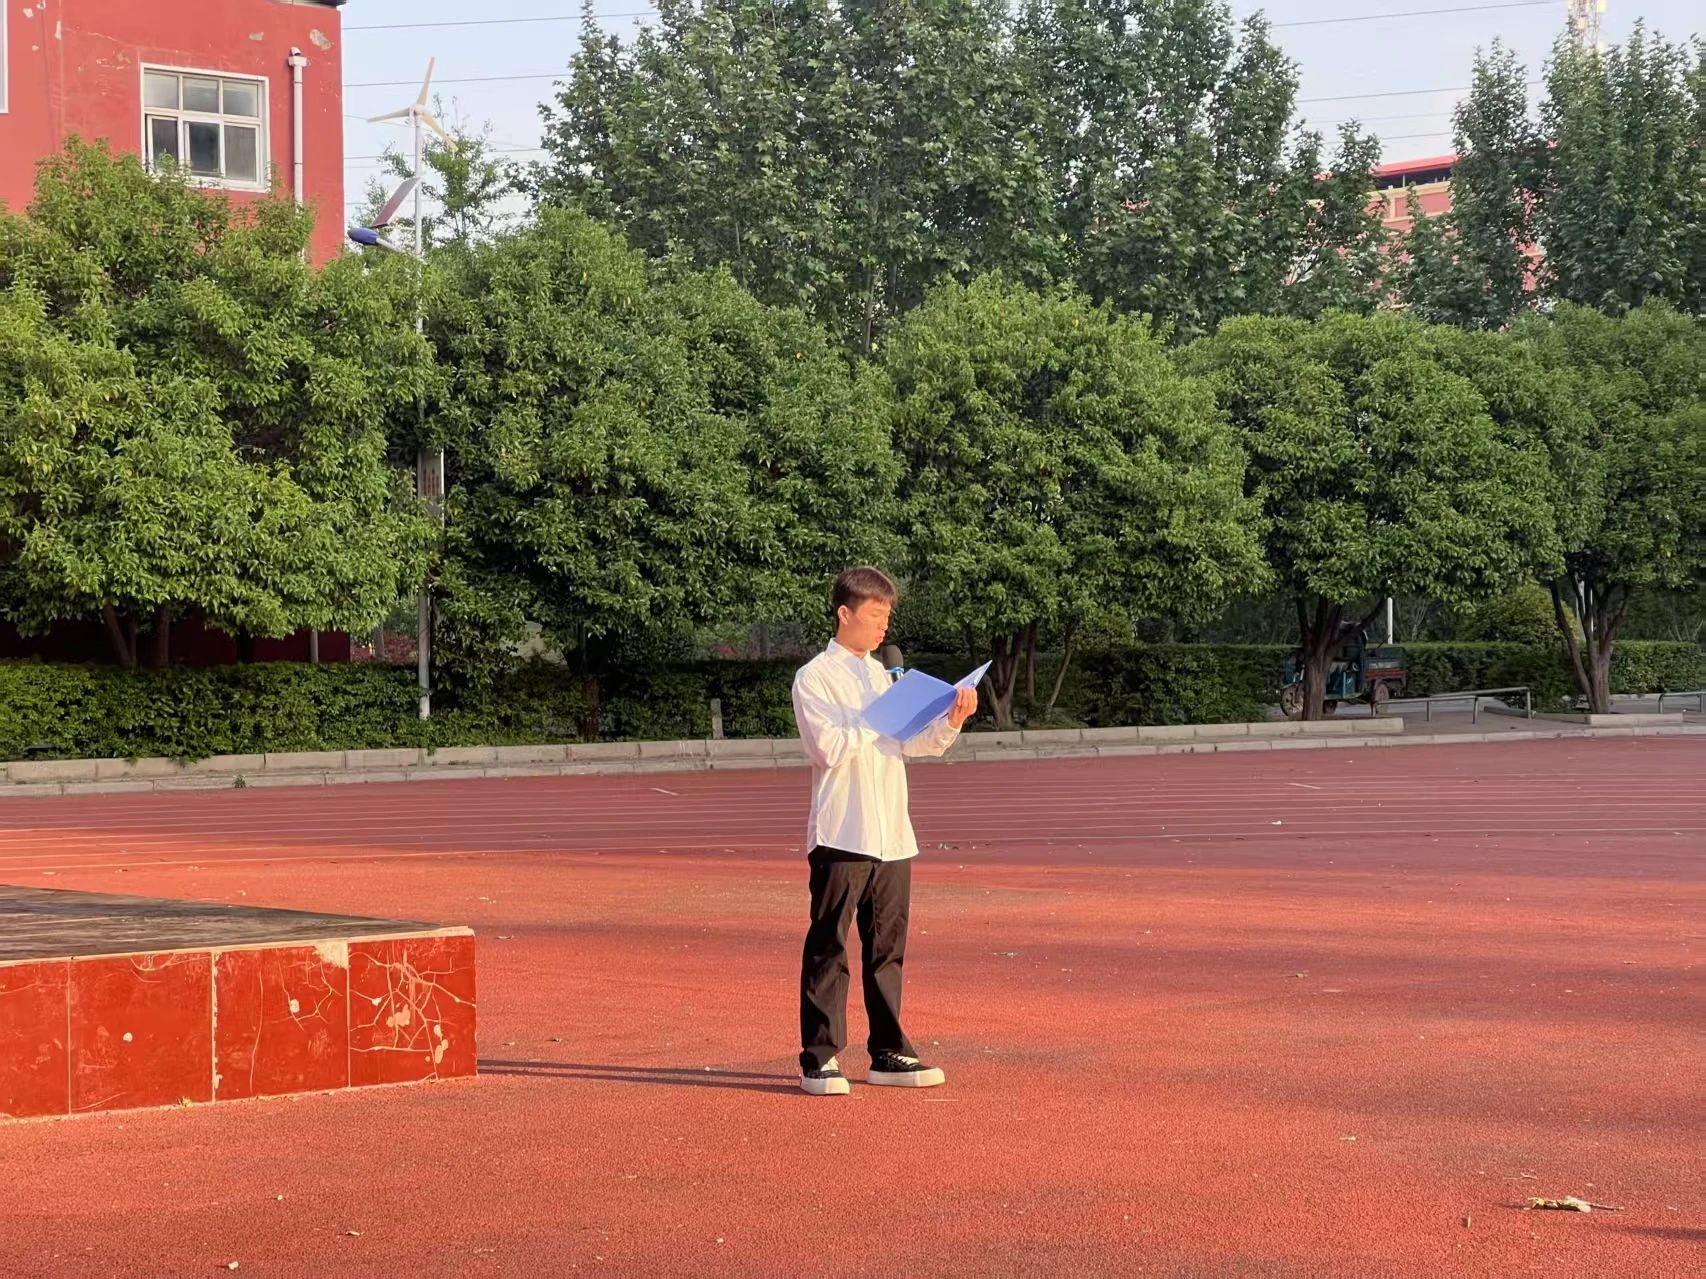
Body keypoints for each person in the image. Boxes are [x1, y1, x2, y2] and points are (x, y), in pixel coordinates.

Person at [790, 566, 978, 1096]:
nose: (882, 627)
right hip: (842, 832)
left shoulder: (883, 676)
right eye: (874, 615)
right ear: (844, 613)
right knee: (829, 944)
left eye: (887, 617)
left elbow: (910, 743)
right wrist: (879, 713)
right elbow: (828, 748)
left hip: (892, 832)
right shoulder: (814, 678)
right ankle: (820, 1057)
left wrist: (951, 720)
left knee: (887, 948)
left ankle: (889, 1051)